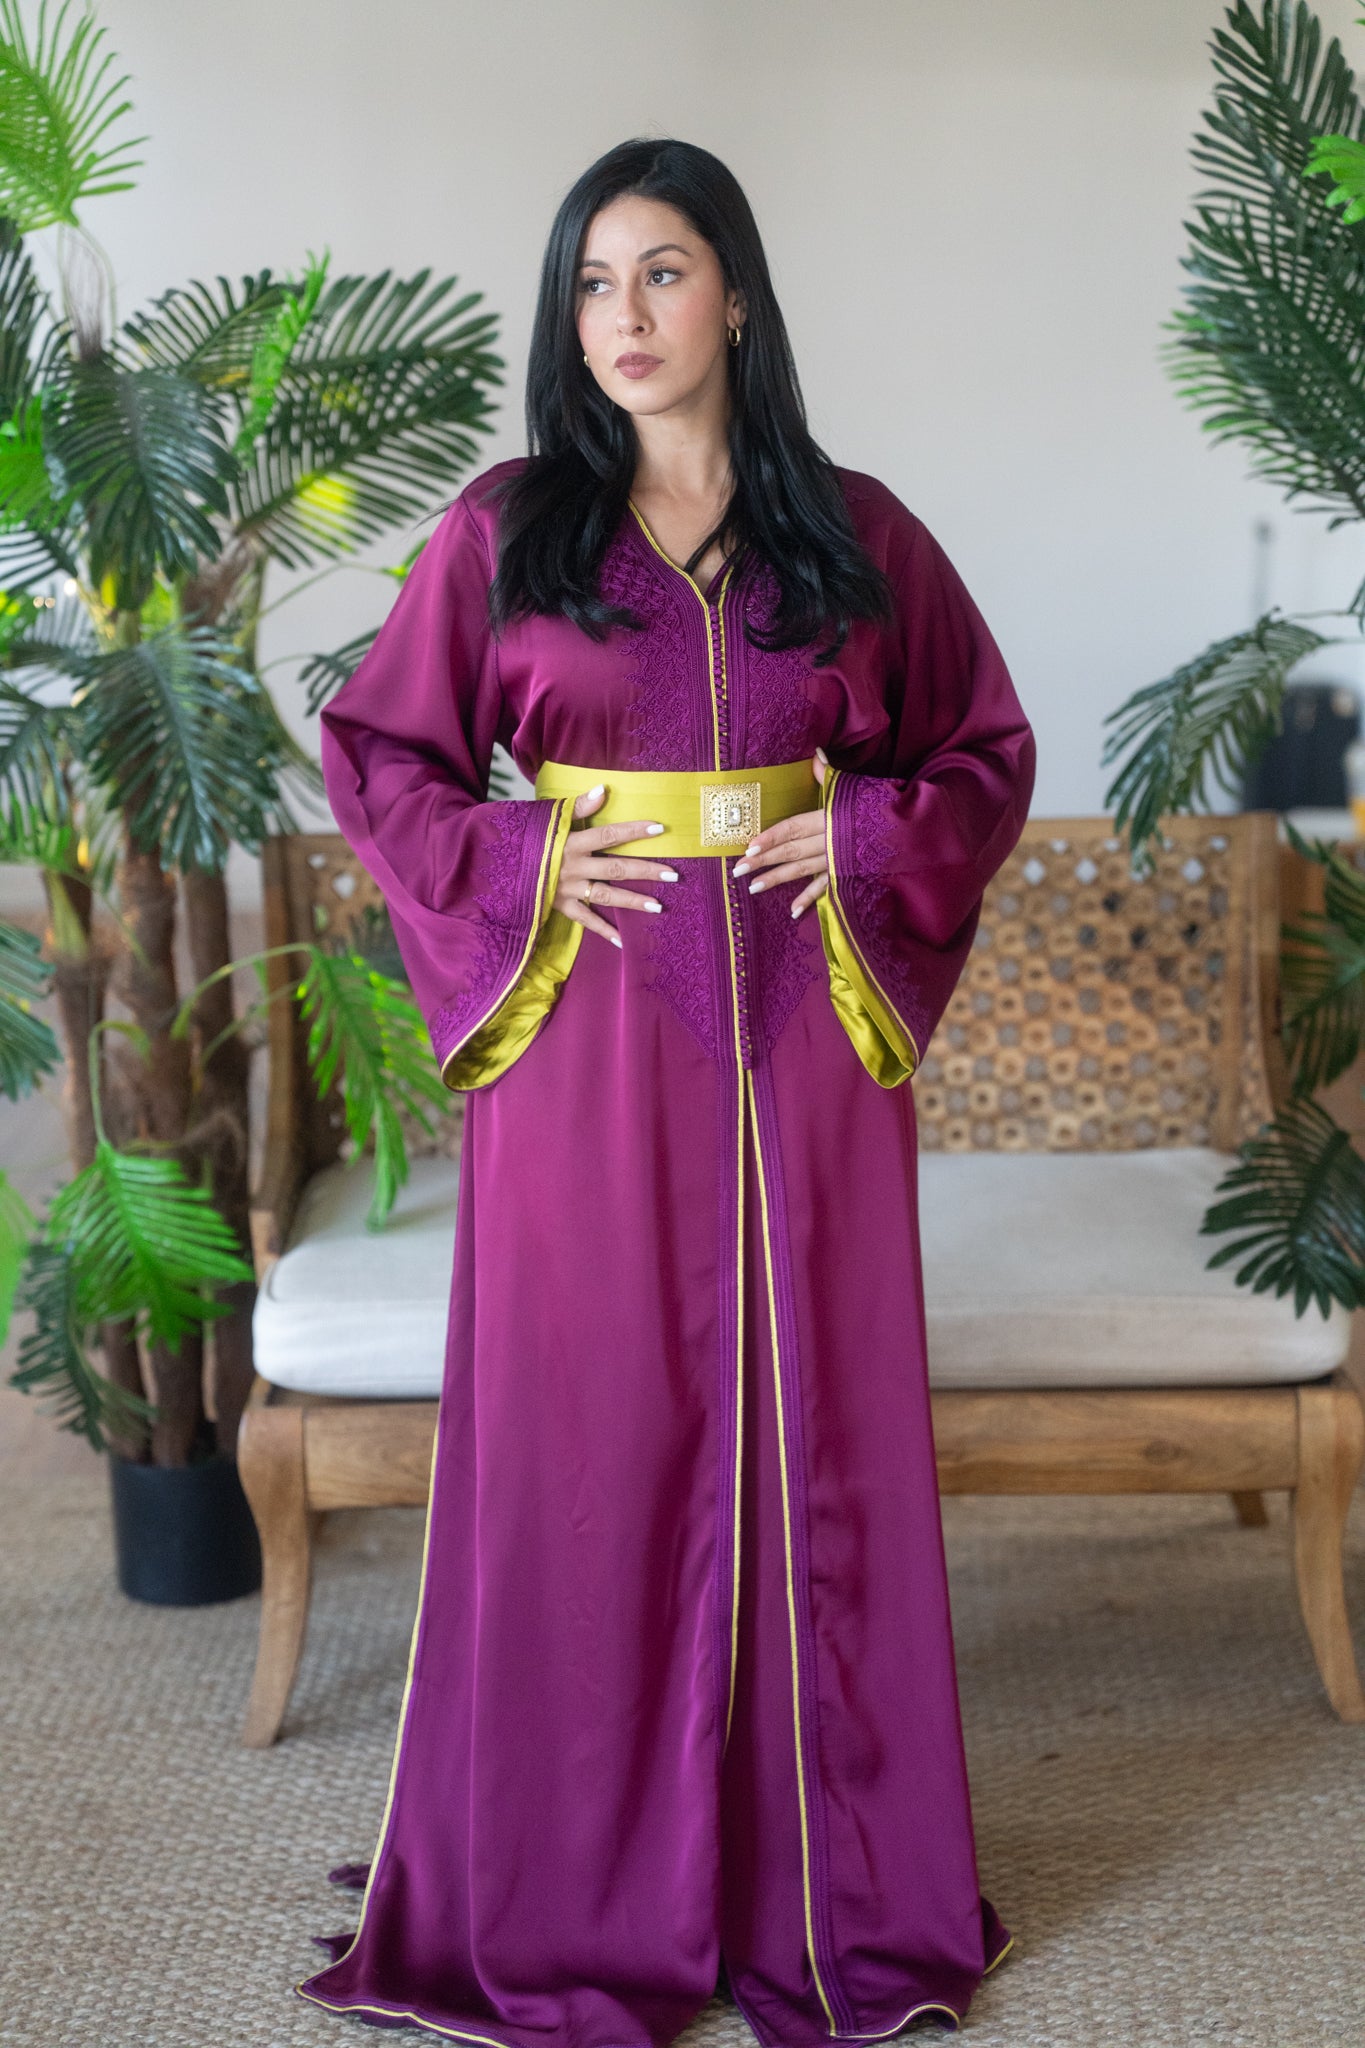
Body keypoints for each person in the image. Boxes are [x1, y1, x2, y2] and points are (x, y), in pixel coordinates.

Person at [298, 135, 1036, 2047]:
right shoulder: (509, 532)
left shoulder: (854, 535)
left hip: (806, 1028)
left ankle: (819, 1886)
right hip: (583, 1032)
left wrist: (860, 831)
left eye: (661, 273)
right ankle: (572, 1884)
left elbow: (982, 748)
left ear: (737, 298)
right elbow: (380, 756)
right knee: (587, 1435)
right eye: (591, 283)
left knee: (817, 1435)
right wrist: (526, 860)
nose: (622, 317)